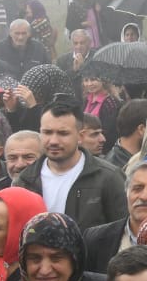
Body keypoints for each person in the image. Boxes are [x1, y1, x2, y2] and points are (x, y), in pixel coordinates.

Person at [17, 98, 128, 231]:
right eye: (47, 132)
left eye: (63, 133)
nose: (53, 141)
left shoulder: (108, 178)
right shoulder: (25, 180)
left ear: (80, 136)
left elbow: (123, 231)